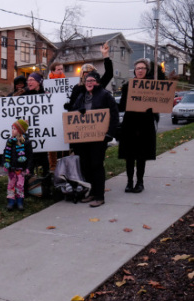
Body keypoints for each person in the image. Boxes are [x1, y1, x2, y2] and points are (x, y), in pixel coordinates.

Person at [72, 71, 119, 207]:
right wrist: (78, 110)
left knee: (96, 165)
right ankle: (92, 192)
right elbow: (73, 112)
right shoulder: (82, 96)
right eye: (87, 81)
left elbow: (114, 114)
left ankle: (99, 196)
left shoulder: (105, 95)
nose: (89, 83)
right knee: (86, 166)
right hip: (83, 139)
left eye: (92, 80)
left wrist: (109, 134)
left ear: (97, 82)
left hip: (99, 139)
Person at [118, 58, 159, 193]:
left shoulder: (153, 86)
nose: (140, 70)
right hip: (130, 124)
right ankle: (129, 182)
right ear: (134, 71)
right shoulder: (127, 86)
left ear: (147, 70)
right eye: (137, 68)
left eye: (142, 68)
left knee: (141, 156)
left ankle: (140, 182)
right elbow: (122, 106)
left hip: (145, 125)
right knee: (129, 156)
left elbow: (158, 106)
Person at [66, 42, 113, 111]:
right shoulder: (77, 88)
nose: (88, 75)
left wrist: (105, 55)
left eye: (90, 73)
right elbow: (73, 105)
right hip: (82, 118)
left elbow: (109, 73)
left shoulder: (98, 85)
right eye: (86, 73)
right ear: (82, 74)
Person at [23, 72, 50, 177]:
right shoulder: (23, 94)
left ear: (38, 82)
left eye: (31, 80)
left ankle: (45, 182)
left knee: (43, 159)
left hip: (42, 133)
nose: (28, 82)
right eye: (28, 80)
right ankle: (30, 182)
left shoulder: (46, 94)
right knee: (30, 160)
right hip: (29, 133)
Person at [3, 119, 33, 211]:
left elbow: (30, 156)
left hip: (21, 169)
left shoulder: (26, 143)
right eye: (12, 128)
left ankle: (20, 201)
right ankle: (11, 201)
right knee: (11, 185)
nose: (12, 130)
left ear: (20, 131)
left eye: (14, 129)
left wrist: (28, 168)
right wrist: (5, 162)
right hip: (11, 169)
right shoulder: (10, 142)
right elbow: (5, 153)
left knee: (20, 185)